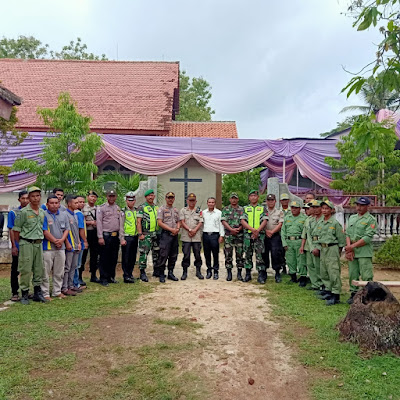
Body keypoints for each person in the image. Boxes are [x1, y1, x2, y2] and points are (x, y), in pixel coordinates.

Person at [12, 186, 47, 305]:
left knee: (39, 268)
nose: (35, 198)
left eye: (37, 196)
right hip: (26, 243)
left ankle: (37, 292)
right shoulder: (23, 212)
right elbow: (16, 230)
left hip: (38, 243)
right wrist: (21, 243)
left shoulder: (42, 212)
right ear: (29, 198)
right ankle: (25, 293)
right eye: (33, 196)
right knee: (25, 269)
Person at [312, 200, 346, 305]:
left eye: (327, 208)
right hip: (323, 249)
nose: (324, 210)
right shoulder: (320, 222)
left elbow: (341, 239)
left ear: (331, 210)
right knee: (324, 271)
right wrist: (317, 247)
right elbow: (316, 235)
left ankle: (336, 294)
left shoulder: (335, 223)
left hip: (332, 248)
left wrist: (338, 252)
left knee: (333, 271)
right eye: (323, 208)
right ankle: (328, 290)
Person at [344, 197, 377, 304]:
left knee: (366, 274)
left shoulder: (371, 220)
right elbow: (348, 233)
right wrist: (349, 249)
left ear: (368, 206)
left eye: (362, 205)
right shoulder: (352, 218)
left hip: (363, 250)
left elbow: (367, 238)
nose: (359, 207)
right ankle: (353, 294)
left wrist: (351, 247)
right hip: (352, 249)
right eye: (357, 205)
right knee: (352, 273)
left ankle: (368, 296)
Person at [41, 195, 70, 300]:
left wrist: (61, 240)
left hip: (60, 248)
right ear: (47, 204)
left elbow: (67, 229)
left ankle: (57, 291)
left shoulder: (64, 215)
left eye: (56, 203)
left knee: (59, 271)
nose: (54, 205)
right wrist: (54, 241)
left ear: (59, 204)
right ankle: (45, 293)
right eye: (52, 203)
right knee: (45, 271)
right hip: (47, 247)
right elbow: (44, 231)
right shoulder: (43, 215)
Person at [241, 190, 268, 283]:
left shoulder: (262, 208)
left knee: (260, 254)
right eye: (251, 196)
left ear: (258, 197)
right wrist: (252, 230)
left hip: (259, 235)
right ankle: (248, 274)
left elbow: (265, 220)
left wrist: (257, 231)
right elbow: (242, 220)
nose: (253, 197)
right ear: (249, 198)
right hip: (248, 235)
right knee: (248, 254)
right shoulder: (245, 208)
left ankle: (261, 275)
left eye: (255, 196)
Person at [7, 190, 29, 301]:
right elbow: (11, 229)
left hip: (30, 246)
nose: (25, 200)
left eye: (27, 198)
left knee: (29, 269)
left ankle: (27, 291)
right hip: (18, 245)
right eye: (23, 198)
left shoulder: (34, 212)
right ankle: (15, 292)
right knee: (15, 269)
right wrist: (14, 246)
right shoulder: (14, 213)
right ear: (19, 200)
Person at [97, 190, 121, 286]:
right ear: (107, 197)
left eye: (113, 196)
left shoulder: (117, 208)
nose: (111, 198)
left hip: (115, 236)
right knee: (104, 258)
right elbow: (99, 223)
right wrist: (100, 237)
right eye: (110, 196)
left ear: (116, 197)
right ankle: (103, 278)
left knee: (113, 257)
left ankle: (111, 277)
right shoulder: (102, 208)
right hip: (106, 235)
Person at [156, 192, 181, 283]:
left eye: (172, 198)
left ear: (174, 199)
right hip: (166, 235)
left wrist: (177, 228)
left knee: (173, 254)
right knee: (163, 254)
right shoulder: (161, 209)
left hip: (175, 235)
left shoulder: (176, 210)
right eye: (169, 198)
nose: (170, 199)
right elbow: (160, 222)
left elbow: (179, 221)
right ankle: (161, 274)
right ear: (166, 198)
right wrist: (171, 229)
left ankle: (170, 272)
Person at [281, 201, 307, 285]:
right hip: (289, 241)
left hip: (299, 241)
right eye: (292, 208)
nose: (294, 209)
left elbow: (305, 232)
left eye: (296, 208)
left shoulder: (304, 218)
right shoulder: (287, 218)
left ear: (299, 208)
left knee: (301, 260)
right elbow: (283, 231)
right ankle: (293, 277)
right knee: (290, 260)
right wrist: (284, 243)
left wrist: (303, 244)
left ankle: (303, 277)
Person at [137, 189, 159, 282]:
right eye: (149, 196)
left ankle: (156, 271)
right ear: (146, 197)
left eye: (152, 195)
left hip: (155, 234)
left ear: (154, 196)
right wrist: (140, 234)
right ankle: (142, 272)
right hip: (146, 234)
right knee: (144, 254)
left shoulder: (157, 207)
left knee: (156, 253)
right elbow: (138, 221)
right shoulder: (142, 207)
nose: (150, 197)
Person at [180, 193, 204, 280]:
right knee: (186, 254)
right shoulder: (183, 210)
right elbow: (182, 222)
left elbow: (201, 222)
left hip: (196, 236)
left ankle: (198, 271)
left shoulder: (199, 210)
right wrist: (190, 230)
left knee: (197, 254)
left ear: (196, 201)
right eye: (190, 200)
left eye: (193, 200)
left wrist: (194, 230)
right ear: (187, 201)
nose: (192, 202)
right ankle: (184, 272)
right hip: (186, 236)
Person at [300, 200, 323, 291]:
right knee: (310, 265)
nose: (314, 209)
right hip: (309, 246)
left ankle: (321, 284)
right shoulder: (309, 220)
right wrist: (302, 246)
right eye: (313, 207)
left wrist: (317, 247)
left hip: (318, 246)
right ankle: (315, 284)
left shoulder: (323, 219)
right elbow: (305, 234)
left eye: (316, 207)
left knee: (318, 266)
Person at [221, 192, 244, 281]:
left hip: (239, 235)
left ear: (237, 199)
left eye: (235, 198)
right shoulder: (225, 209)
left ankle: (239, 273)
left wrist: (239, 228)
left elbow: (244, 220)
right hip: (229, 235)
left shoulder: (242, 209)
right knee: (228, 254)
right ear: (230, 199)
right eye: (232, 198)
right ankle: (229, 273)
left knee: (240, 254)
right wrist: (231, 229)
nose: (234, 200)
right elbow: (223, 221)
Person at [262, 194, 284, 283]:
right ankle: (264, 272)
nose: (270, 202)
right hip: (264, 235)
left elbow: (280, 223)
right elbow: (261, 222)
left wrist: (272, 232)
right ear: (266, 202)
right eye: (269, 200)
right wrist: (266, 231)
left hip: (275, 235)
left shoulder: (279, 212)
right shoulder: (263, 211)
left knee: (276, 254)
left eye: (272, 200)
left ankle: (277, 272)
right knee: (264, 253)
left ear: (275, 201)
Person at [63, 195, 81, 296]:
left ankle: (71, 285)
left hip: (76, 245)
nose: (77, 205)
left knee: (74, 266)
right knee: (67, 267)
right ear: (69, 204)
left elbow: (76, 230)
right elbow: (64, 230)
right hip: (69, 245)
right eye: (75, 203)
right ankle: (64, 287)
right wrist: (67, 242)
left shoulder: (75, 215)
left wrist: (79, 242)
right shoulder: (64, 215)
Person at [202, 197, 224, 280]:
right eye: (209, 202)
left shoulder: (219, 213)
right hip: (206, 235)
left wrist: (221, 235)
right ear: (207, 203)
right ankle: (209, 270)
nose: (211, 204)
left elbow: (221, 225)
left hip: (215, 235)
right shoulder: (203, 212)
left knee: (215, 254)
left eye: (212, 202)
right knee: (207, 254)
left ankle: (215, 271)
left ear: (215, 203)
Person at [119, 191, 138, 283]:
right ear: (126, 201)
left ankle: (130, 274)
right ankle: (126, 275)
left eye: (132, 200)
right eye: (129, 200)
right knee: (126, 257)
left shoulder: (137, 211)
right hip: (127, 237)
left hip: (135, 236)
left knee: (133, 257)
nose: (131, 202)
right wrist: (122, 238)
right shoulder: (123, 211)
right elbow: (121, 225)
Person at [82, 190, 100, 283]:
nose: (93, 198)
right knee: (83, 254)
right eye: (91, 196)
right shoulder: (83, 207)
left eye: (95, 197)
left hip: (95, 233)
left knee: (94, 254)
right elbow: (79, 221)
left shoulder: (98, 208)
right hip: (86, 233)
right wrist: (90, 222)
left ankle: (93, 274)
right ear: (87, 197)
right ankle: (80, 275)